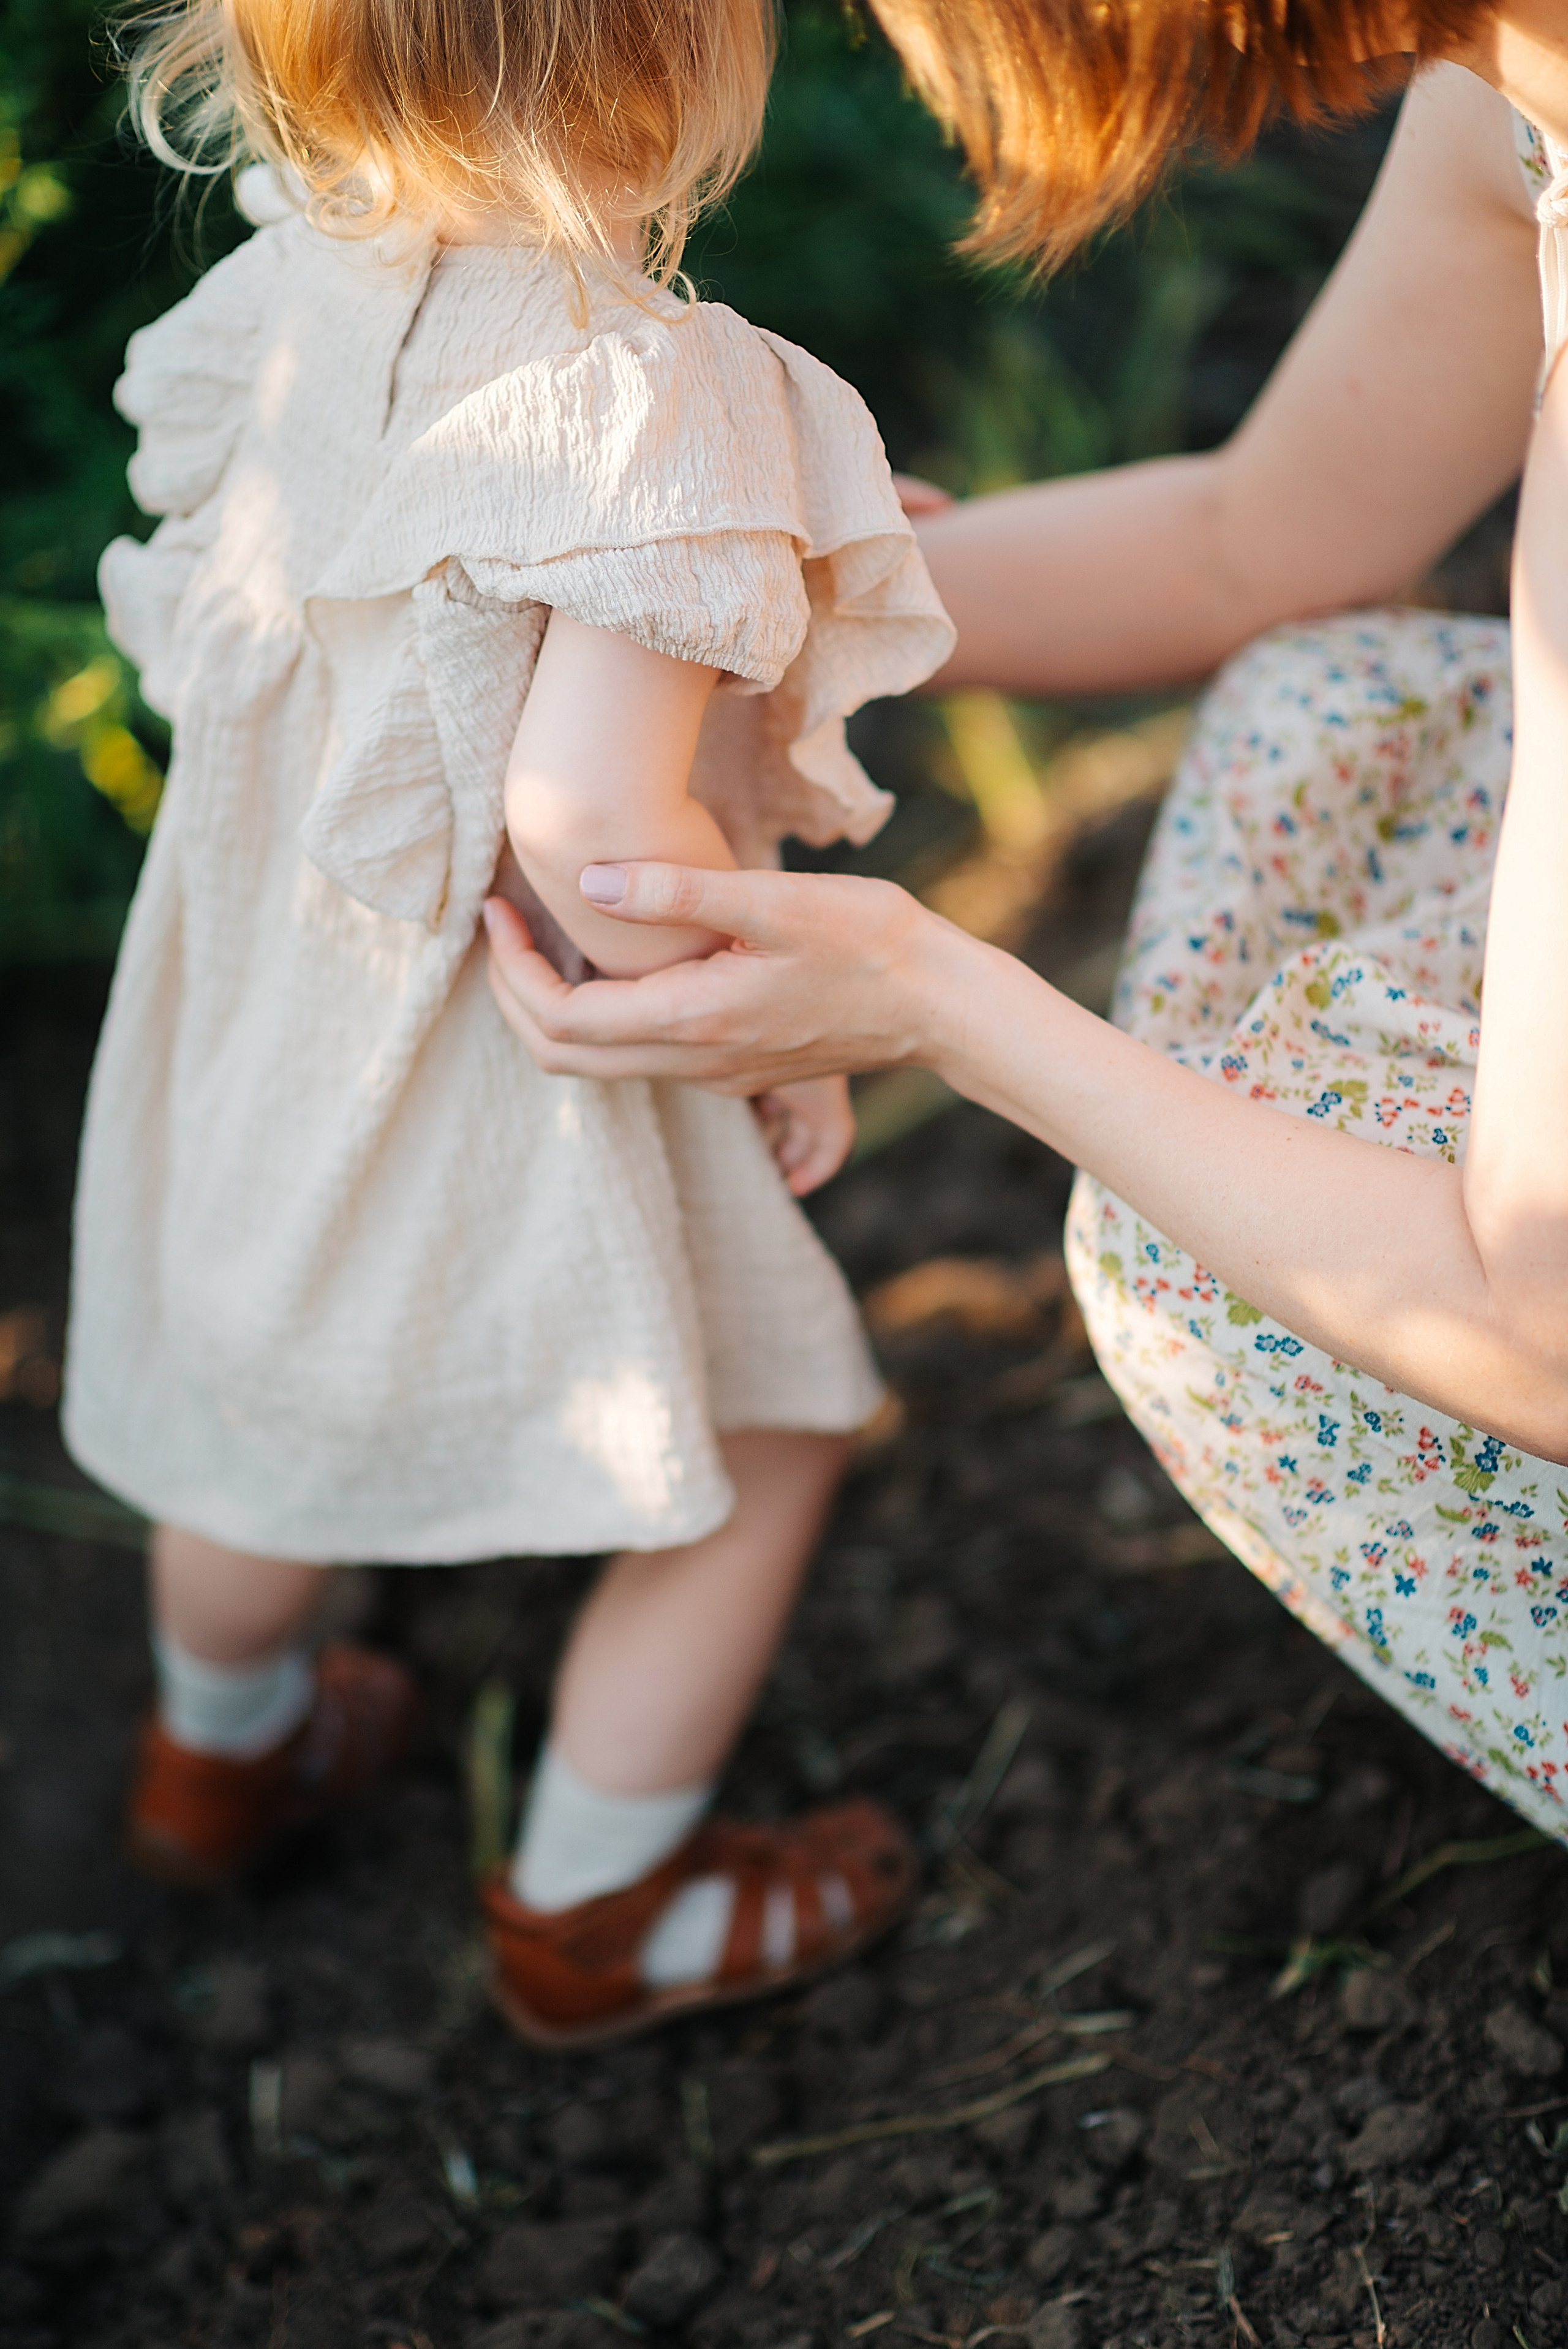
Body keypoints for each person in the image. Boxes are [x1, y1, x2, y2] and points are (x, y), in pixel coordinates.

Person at [483, 0, 1568, 1841]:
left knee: (1207, 1276)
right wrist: (762, 591)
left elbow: (1545, 1327)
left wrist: (926, 995)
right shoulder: (1523, 75)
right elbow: (1266, 537)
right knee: (1338, 714)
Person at [71, 0, 958, 2045]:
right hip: (513, 1043)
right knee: (765, 1429)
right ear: (682, 73)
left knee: (256, 1386)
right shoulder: (654, 396)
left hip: (275, 1006)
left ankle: (218, 1759)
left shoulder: (292, 266)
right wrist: (762, 1024)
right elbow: (585, 818)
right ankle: (594, 1909)